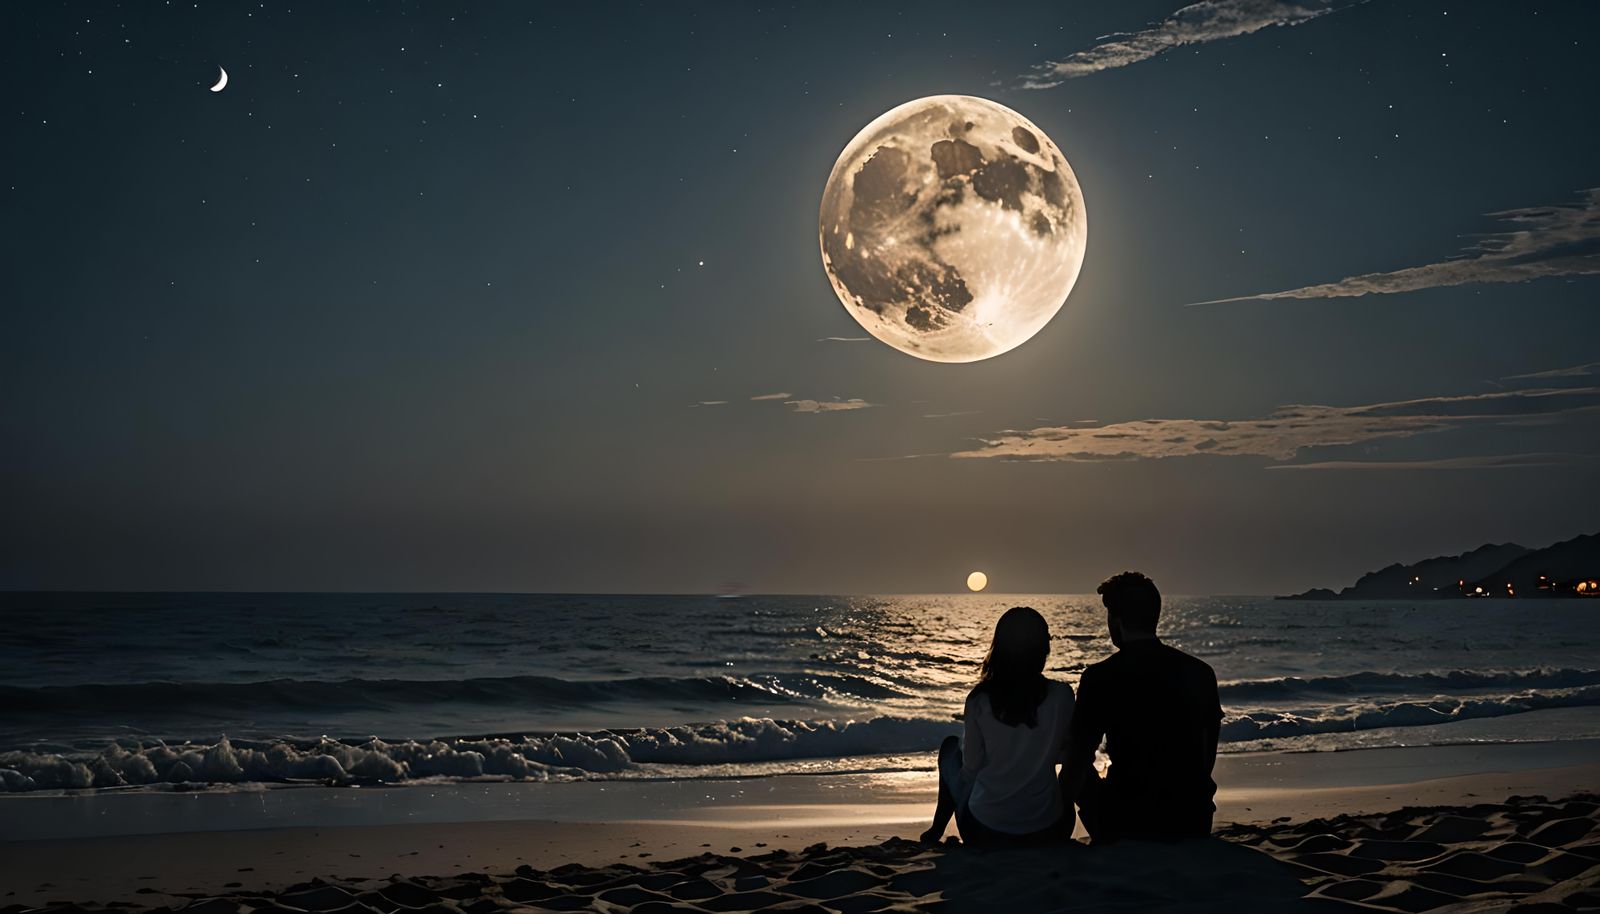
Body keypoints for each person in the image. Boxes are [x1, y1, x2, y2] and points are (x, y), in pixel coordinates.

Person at [1062, 571, 1223, 843]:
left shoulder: (1101, 677)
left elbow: (1078, 756)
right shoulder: (1200, 672)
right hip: (1192, 819)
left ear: (1116, 620)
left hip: (1127, 821)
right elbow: (1207, 755)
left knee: (1074, 759)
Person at [921, 606, 1076, 847]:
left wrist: (961, 791)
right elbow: (1066, 754)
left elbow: (971, 767)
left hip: (986, 831)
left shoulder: (979, 700)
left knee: (950, 748)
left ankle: (936, 829)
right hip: (1050, 830)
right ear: (1043, 649)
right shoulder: (1062, 695)